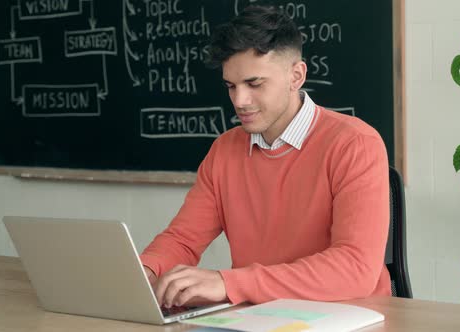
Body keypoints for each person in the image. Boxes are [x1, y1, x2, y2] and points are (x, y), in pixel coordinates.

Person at [140, 5, 391, 308]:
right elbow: (182, 240)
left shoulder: (355, 144)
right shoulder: (224, 151)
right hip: (260, 316)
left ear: (296, 76)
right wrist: (144, 270)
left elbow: (355, 268)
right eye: (231, 86)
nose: (239, 101)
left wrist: (228, 282)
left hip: (350, 316)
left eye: (254, 84)